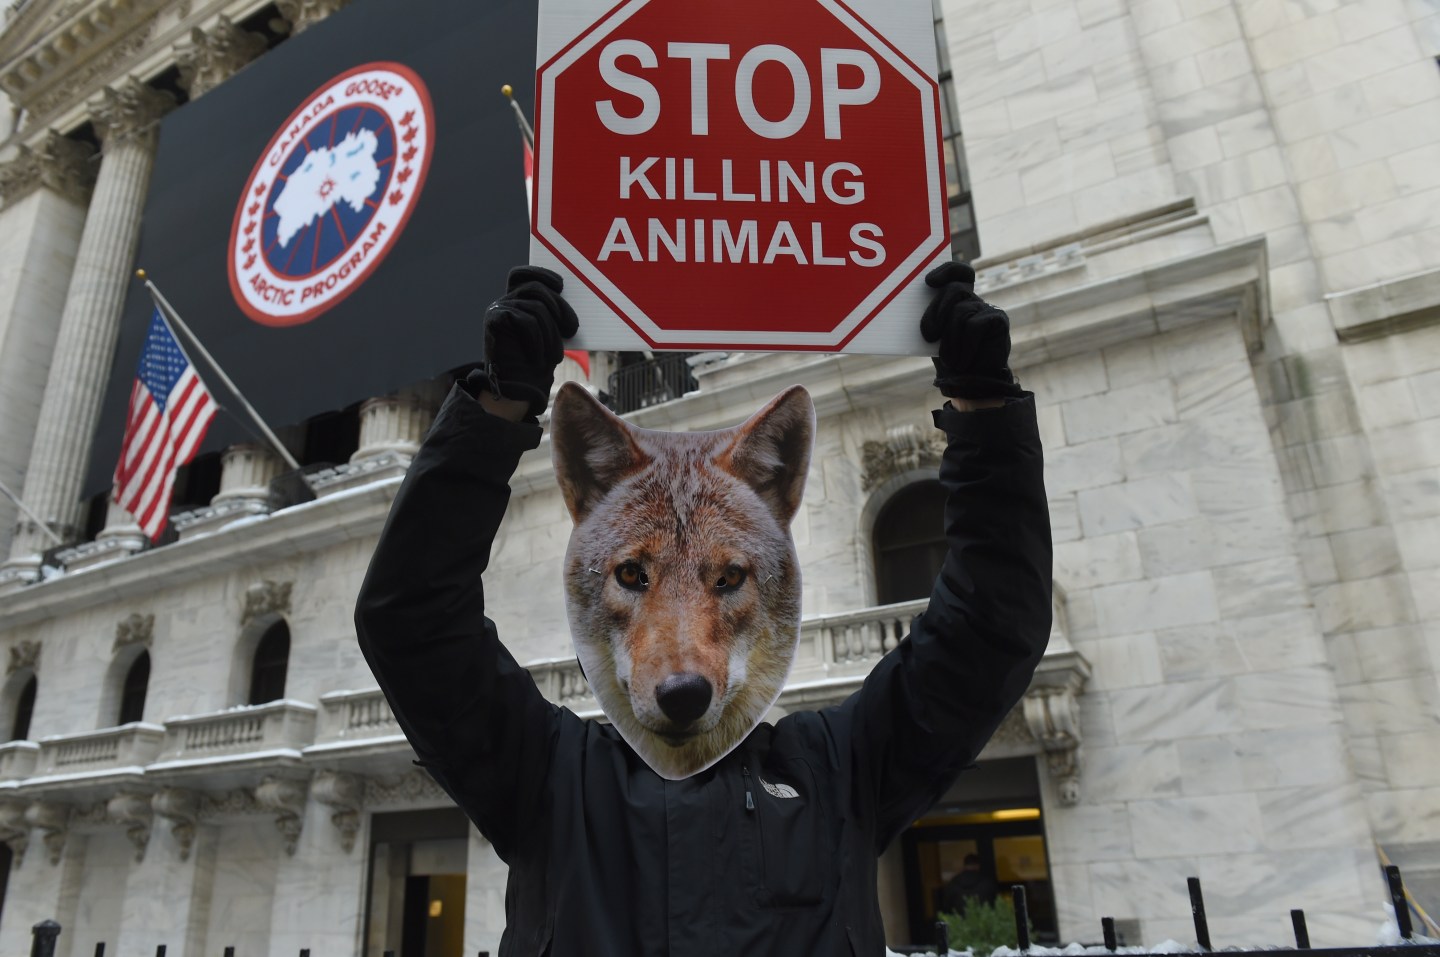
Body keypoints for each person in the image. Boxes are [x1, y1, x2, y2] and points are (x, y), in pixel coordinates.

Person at [354, 262, 1053, 956]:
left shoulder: (840, 771)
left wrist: (984, 413)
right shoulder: (548, 778)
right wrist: (493, 415)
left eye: (726, 581)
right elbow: (410, 618)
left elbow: (991, 627)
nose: (683, 663)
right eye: (634, 576)